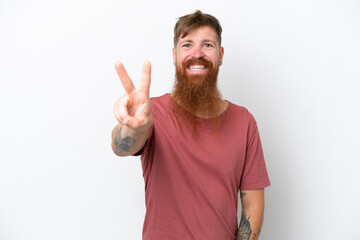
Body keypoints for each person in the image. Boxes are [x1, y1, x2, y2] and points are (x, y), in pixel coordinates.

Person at [111, 10, 270, 240]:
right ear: (174, 55)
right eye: (187, 45)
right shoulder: (152, 112)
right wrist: (134, 127)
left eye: (207, 45)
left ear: (220, 54)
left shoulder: (244, 122)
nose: (197, 53)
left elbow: (253, 206)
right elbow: (121, 146)